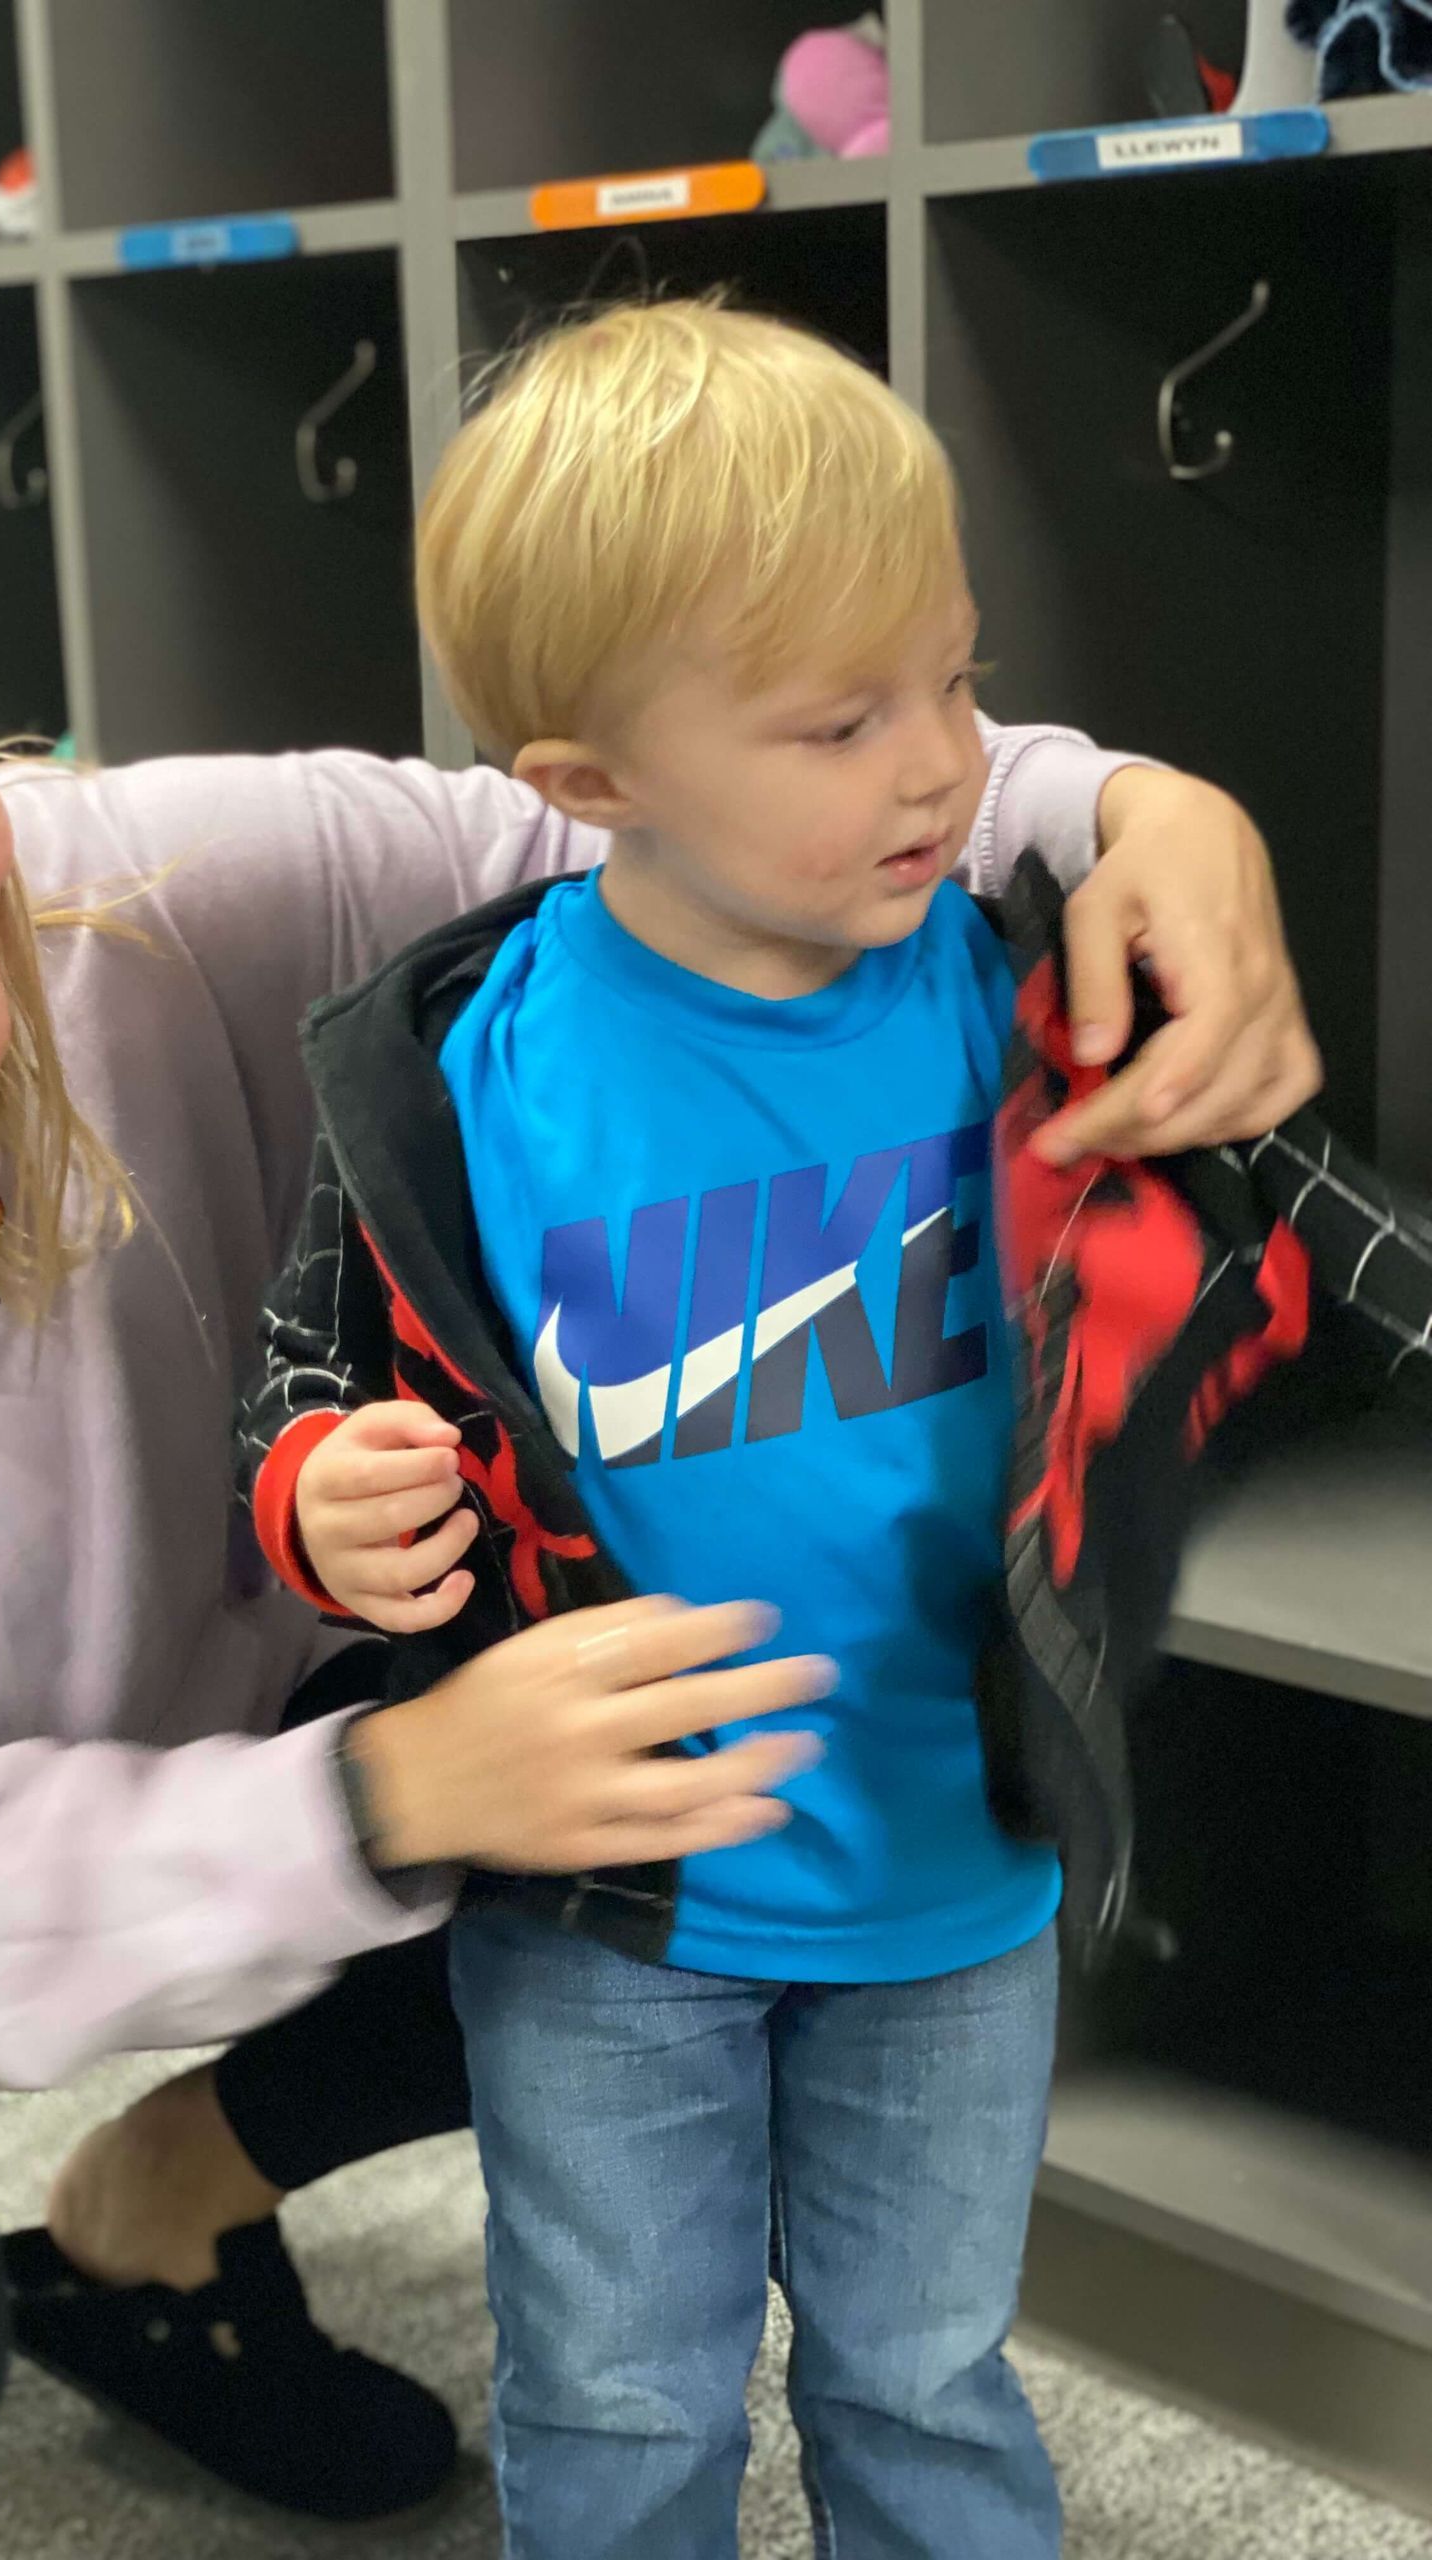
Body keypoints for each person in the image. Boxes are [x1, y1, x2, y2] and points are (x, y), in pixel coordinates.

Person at [0, 461, 1315, 2560]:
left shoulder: (137, 884)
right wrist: (397, 1794)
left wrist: (1133, 815)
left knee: (710, 1779)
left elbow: (662, 801)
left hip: (207, 1721)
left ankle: (161, 2213)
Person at [233, 300, 1335, 2560]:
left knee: (922, 2373)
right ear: (589, 777)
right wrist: (324, 1498)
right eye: (842, 719)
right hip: (611, 1909)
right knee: (619, 2397)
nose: (940, 760)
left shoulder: (1023, 978)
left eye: (956, 675)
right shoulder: (457, 1069)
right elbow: (310, 1365)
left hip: (953, 1872)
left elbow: (1290, 1204)